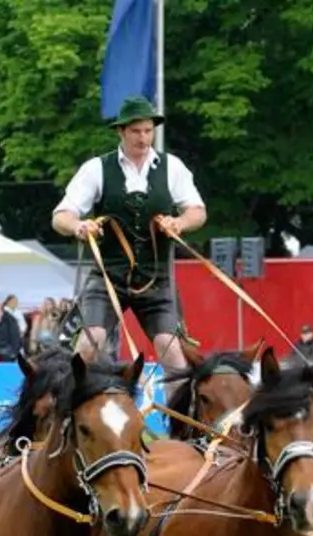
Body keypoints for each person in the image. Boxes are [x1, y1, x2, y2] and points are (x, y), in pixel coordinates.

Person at [52, 95, 206, 379]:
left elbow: (198, 211)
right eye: (136, 131)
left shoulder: (172, 167)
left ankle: (178, 410)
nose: (143, 138)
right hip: (108, 277)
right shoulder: (96, 168)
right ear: (121, 131)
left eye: (148, 130)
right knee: (89, 342)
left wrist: (179, 222)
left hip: (156, 280)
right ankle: (70, 403)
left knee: (172, 352)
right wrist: (79, 226)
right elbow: (61, 216)